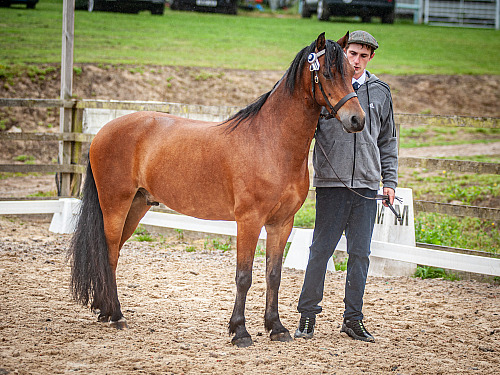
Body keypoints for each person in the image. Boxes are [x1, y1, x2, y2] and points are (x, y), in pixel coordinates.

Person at [294, 30, 398, 342]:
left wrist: (389, 181)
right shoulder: (327, 86)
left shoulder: (381, 92)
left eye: (362, 56)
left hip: (366, 186)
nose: (356, 61)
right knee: (320, 251)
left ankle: (353, 319)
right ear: (344, 54)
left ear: (370, 58)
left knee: (360, 255)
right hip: (331, 183)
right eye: (352, 54)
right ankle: (308, 317)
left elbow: (388, 140)